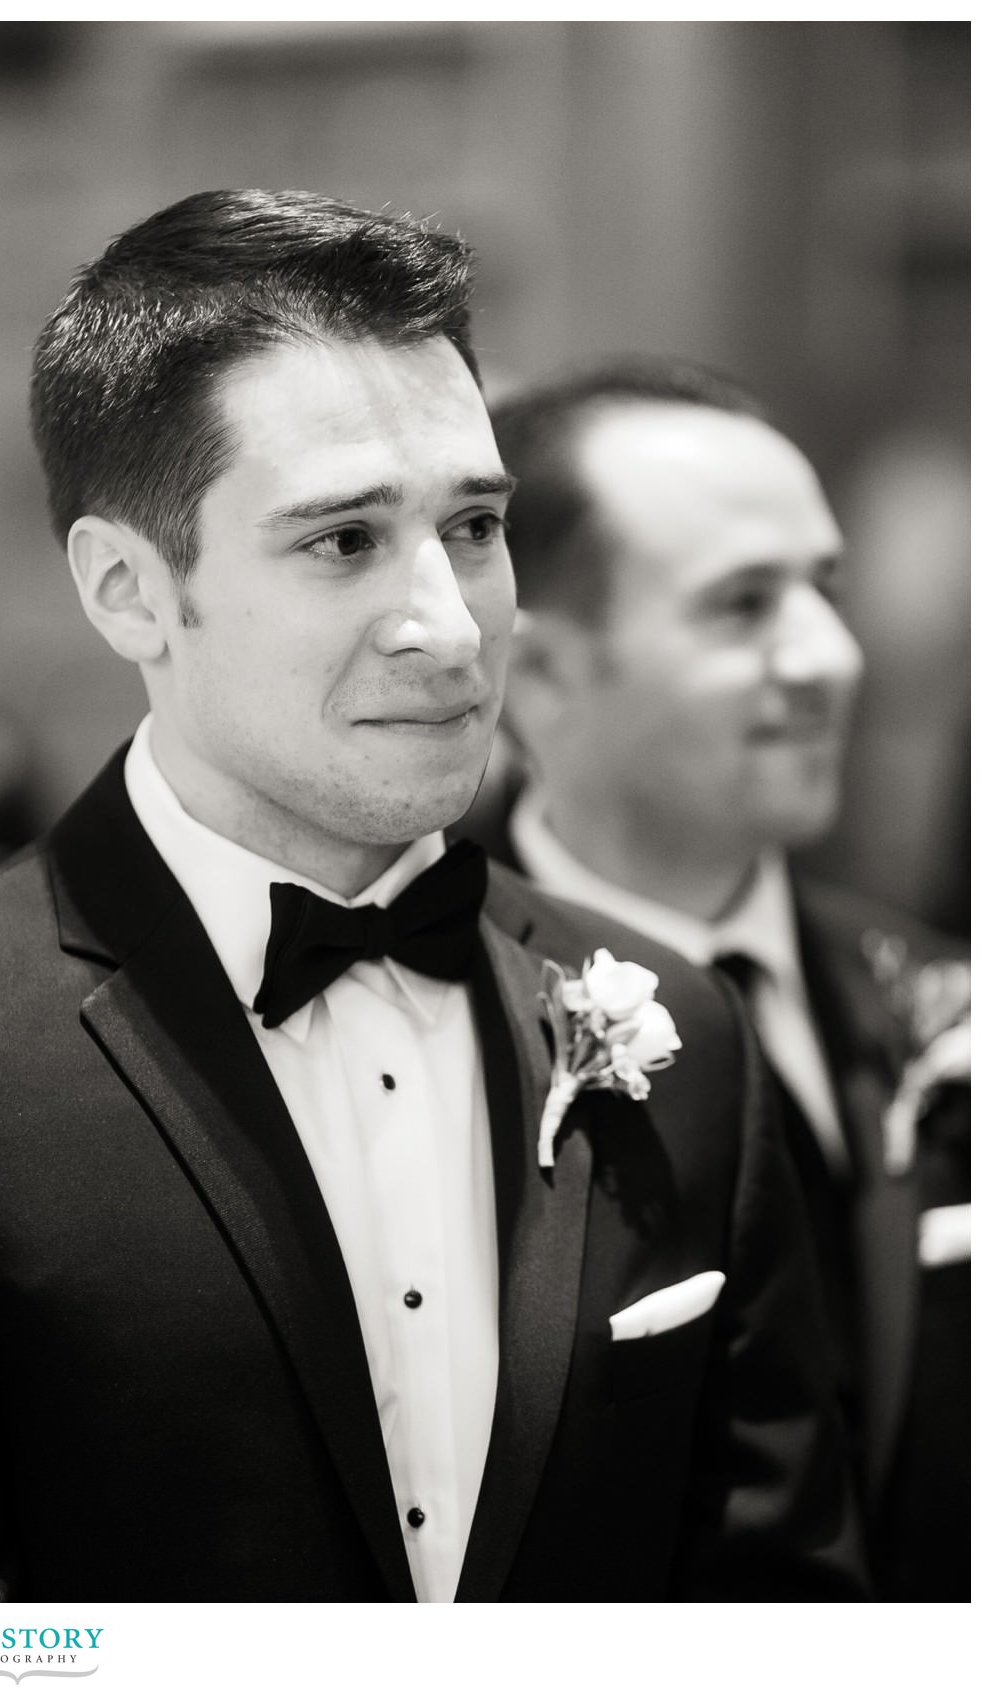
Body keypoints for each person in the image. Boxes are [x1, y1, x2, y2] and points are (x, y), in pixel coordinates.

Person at [0, 192, 866, 1605]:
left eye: (475, 525)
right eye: (343, 542)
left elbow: (778, 1607)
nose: (447, 623)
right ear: (129, 592)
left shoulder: (677, 1033)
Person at [478, 356, 970, 1601]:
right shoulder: (430, 1022)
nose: (829, 657)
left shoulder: (930, 996)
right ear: (534, 672)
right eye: (744, 603)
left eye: (826, 588)